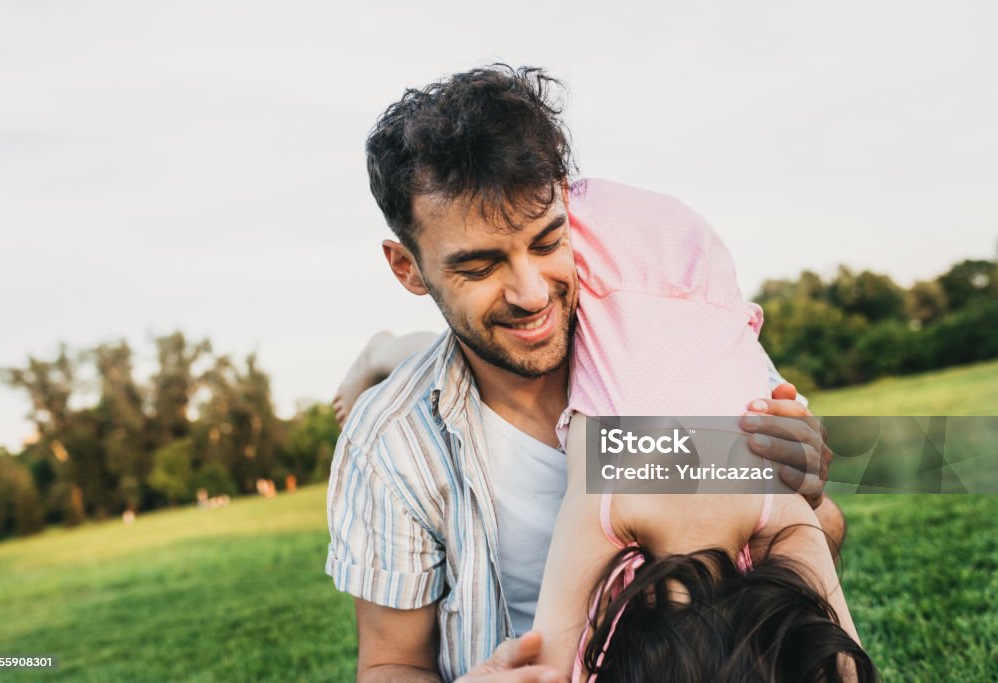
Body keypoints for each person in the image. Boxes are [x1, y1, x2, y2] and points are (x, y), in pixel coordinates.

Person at [326, 64, 836, 683]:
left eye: (546, 243)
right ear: (407, 268)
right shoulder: (391, 446)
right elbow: (389, 662)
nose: (532, 293)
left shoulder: (667, 347)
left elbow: (816, 542)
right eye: (481, 266)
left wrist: (804, 487)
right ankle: (386, 351)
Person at [527, 178, 875, 681]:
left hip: (705, 280)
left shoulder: (772, 509)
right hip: (618, 262)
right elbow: (549, 667)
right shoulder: (607, 507)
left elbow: (847, 664)